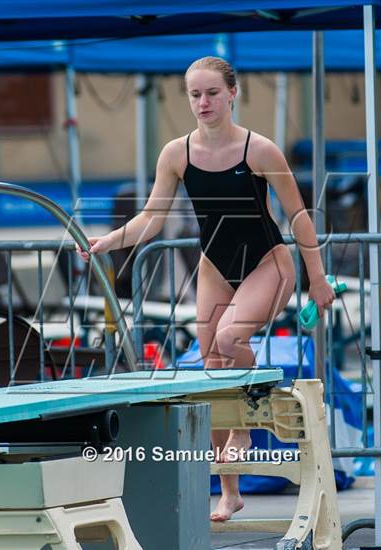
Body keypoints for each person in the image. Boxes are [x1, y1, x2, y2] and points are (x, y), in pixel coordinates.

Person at [77, 56, 336, 522]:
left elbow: (298, 216)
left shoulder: (260, 151)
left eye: (212, 93)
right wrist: (108, 242)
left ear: (232, 94)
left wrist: (317, 278)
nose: (203, 102)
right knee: (210, 369)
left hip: (268, 262)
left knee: (228, 341)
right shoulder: (178, 153)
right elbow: (152, 219)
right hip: (215, 264)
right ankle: (230, 490)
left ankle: (249, 423)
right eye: (195, 94)